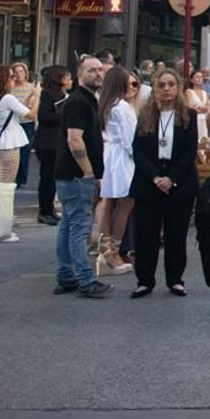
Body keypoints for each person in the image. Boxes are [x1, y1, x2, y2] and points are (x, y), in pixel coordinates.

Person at [129, 70, 198, 298]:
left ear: (178, 87)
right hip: (150, 179)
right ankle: (144, 281)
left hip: (178, 179)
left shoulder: (189, 115)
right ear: (155, 88)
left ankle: (175, 279)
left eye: (171, 84)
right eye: (161, 85)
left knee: (176, 234)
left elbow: (189, 152)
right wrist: (155, 177)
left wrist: (171, 178)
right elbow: (137, 151)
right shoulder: (145, 115)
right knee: (146, 234)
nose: (166, 89)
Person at [56, 55, 111, 299]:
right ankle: (84, 279)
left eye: (100, 70)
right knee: (79, 226)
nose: (98, 74)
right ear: (80, 75)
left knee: (68, 224)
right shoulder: (79, 101)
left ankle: (66, 276)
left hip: (71, 174)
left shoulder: (87, 100)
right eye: (92, 70)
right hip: (76, 175)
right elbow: (74, 138)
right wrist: (88, 171)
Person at [96, 67, 138, 277]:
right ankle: (112, 249)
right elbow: (129, 139)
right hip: (121, 157)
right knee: (125, 202)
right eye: (130, 84)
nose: (133, 88)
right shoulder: (122, 107)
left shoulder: (106, 104)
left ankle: (107, 248)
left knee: (109, 201)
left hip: (109, 154)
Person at [0, 64, 31, 190]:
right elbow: (32, 115)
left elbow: (18, 110)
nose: (14, 79)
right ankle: (1, 207)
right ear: (2, 80)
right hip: (9, 144)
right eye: (11, 77)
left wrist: (30, 97)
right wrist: (38, 95)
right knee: (5, 183)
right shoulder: (8, 98)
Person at [33, 66, 70, 225]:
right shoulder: (48, 94)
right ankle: (44, 211)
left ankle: (50, 209)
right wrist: (65, 115)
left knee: (53, 178)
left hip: (57, 141)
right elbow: (44, 116)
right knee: (47, 178)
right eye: (66, 77)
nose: (69, 80)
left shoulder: (65, 96)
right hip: (48, 142)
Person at [10, 62, 39, 186]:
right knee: (13, 150)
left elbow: (32, 106)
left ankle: (22, 178)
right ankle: (13, 176)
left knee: (25, 150)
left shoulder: (31, 87)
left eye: (21, 71)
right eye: (16, 72)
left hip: (27, 122)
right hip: (14, 122)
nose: (18, 74)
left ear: (26, 73)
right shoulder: (10, 88)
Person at [186, 70, 210, 150]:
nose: (200, 79)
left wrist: (199, 108)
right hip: (195, 120)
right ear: (191, 80)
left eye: (201, 77)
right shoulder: (189, 92)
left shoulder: (204, 92)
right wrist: (203, 108)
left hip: (204, 120)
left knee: (205, 141)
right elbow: (190, 107)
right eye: (197, 77)